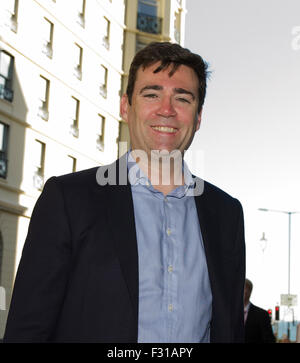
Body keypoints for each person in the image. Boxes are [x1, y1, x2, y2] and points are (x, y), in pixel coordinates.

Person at [3, 42, 245, 343]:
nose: (166, 110)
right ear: (125, 106)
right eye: (152, 94)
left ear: (197, 118)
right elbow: (27, 331)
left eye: (182, 99)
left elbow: (231, 330)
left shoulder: (226, 214)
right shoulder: (68, 199)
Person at [244, 278, 276, 343]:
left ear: (249, 291)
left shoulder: (262, 315)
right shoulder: (230, 314)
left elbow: (269, 340)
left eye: (243, 288)